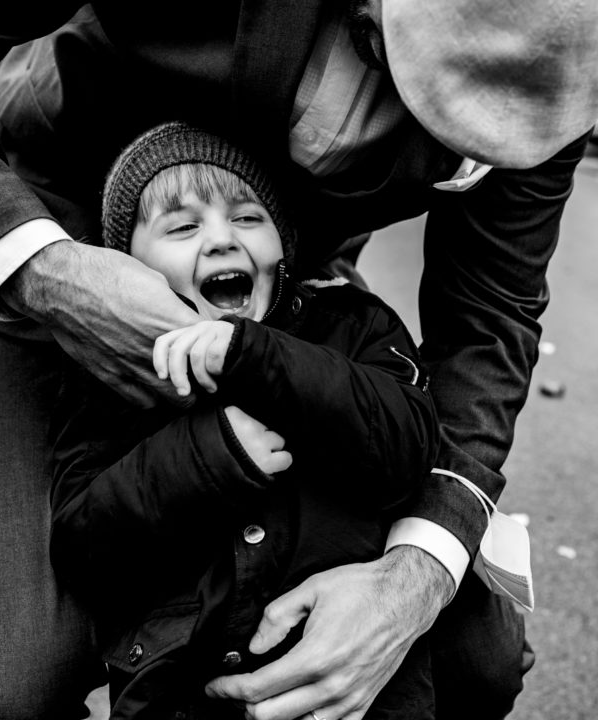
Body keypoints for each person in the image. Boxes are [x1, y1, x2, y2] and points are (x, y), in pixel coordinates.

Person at [0, 1, 598, 719]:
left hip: (286, 276)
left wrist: (413, 579)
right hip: (52, 229)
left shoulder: (566, 63)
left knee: (477, 650)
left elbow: (488, 319)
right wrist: (42, 270)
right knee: (10, 688)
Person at [49, 121, 439, 719]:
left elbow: (407, 447)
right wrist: (209, 455)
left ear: (284, 244)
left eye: (248, 218)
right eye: (182, 227)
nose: (220, 240)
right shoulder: (113, 374)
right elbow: (83, 545)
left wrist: (255, 353)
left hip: (362, 689)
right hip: (183, 690)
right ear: (128, 264)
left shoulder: (351, 324)